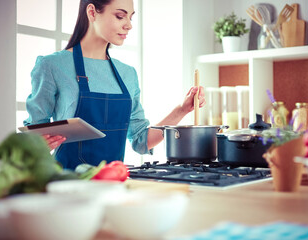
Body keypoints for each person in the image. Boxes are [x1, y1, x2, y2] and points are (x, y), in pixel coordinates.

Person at [24, 0, 206, 170]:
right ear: (92, 12)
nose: (129, 24)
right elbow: (32, 136)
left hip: (113, 185)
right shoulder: (52, 66)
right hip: (66, 185)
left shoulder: (127, 74)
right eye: (120, 16)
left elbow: (142, 140)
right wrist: (37, 144)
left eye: (131, 17)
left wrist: (182, 110)